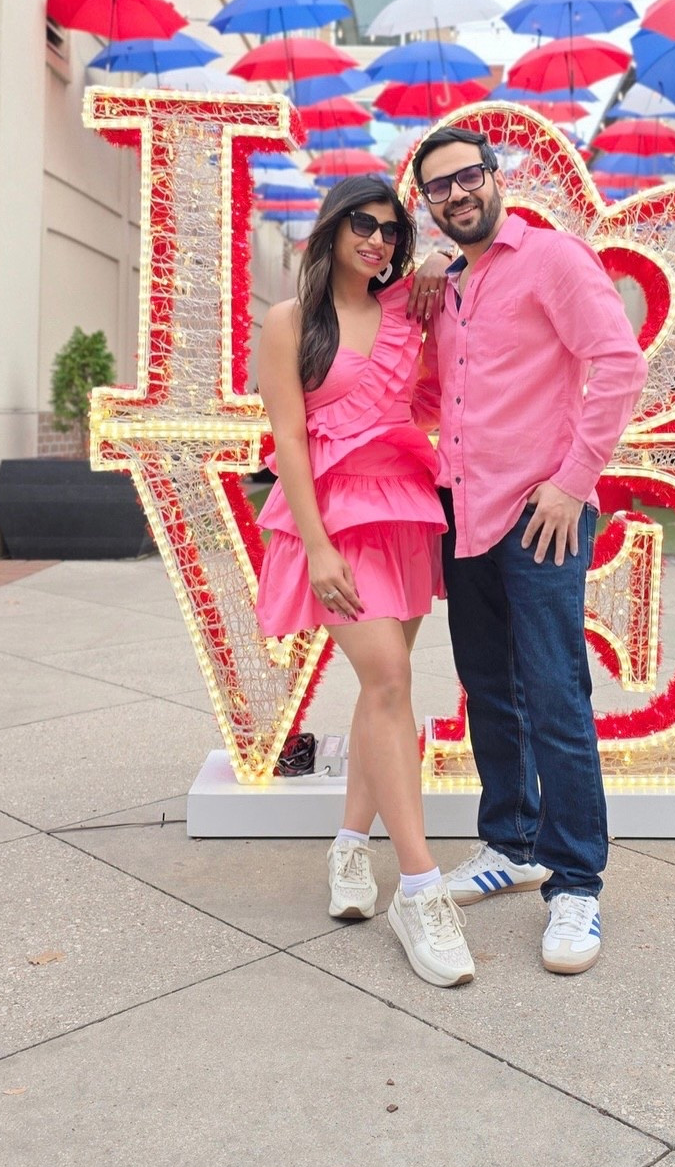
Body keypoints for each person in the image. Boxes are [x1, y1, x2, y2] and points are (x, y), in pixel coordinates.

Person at [412, 125, 647, 975]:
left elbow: (618, 362)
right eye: (438, 187)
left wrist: (574, 480)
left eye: (467, 176)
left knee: (555, 691)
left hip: (541, 512)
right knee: (486, 687)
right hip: (463, 513)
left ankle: (576, 881)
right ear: (428, 204)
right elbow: (443, 394)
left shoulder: (554, 259)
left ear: (493, 176)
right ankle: (510, 841)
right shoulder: (449, 285)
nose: (457, 194)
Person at [254, 175, 474, 989]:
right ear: (331, 229)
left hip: (405, 511)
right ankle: (419, 888)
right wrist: (315, 548)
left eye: (389, 230)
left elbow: (467, 274)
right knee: (388, 678)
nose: (377, 240)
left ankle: (349, 851)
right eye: (362, 225)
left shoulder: (411, 314)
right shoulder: (289, 324)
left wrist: (440, 255)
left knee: (383, 690)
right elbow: (288, 442)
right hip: (336, 521)